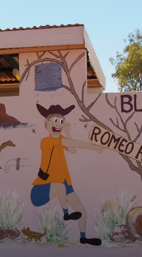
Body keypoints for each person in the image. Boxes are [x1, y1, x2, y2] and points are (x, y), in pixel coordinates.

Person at [30, 104, 103, 246]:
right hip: (41, 188)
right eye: (56, 121)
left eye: (62, 121)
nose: (59, 124)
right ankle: (66, 214)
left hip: (64, 183)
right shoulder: (46, 141)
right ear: (47, 123)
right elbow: (69, 143)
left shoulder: (60, 140)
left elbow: (72, 149)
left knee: (82, 211)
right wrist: (93, 147)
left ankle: (83, 237)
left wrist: (68, 132)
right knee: (59, 187)